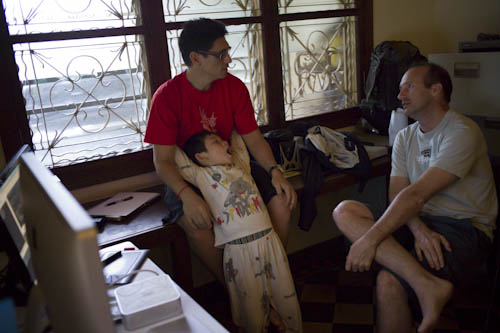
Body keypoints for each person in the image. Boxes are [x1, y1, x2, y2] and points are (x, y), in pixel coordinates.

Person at [332, 62, 497, 333]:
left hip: (463, 228)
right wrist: (418, 229)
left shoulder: (462, 132)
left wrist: (369, 240)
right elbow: (399, 193)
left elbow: (418, 194)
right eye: (399, 89)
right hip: (416, 219)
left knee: (388, 282)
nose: (400, 96)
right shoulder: (405, 137)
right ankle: (427, 285)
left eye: (408, 86)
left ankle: (424, 287)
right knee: (344, 210)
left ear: (436, 90)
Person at [144, 18, 297, 286]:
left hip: (232, 166)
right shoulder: (167, 97)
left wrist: (275, 171)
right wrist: (187, 196)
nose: (228, 59)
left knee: (283, 202)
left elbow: (254, 139)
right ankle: (236, 292)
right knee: (198, 225)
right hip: (189, 175)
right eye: (221, 54)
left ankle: (270, 282)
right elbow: (163, 161)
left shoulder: (234, 87)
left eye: (227, 52)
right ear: (196, 58)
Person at [175, 130, 302, 332]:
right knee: (251, 310)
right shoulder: (200, 175)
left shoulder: (242, 165)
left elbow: (238, 140)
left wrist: (232, 126)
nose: (224, 142)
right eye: (216, 142)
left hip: (270, 242)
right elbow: (175, 157)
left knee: (285, 296)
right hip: (238, 252)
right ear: (201, 157)